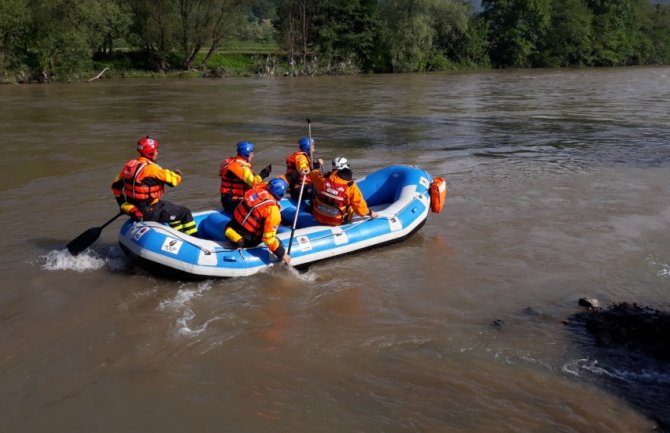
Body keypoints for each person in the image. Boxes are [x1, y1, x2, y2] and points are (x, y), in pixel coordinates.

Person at [111, 136, 198, 236]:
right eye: (156, 151)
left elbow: (115, 186)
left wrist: (123, 204)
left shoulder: (129, 166)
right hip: (149, 212)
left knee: (171, 208)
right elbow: (173, 181)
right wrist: (177, 174)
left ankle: (178, 234)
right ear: (150, 153)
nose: (157, 153)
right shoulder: (152, 169)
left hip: (133, 210)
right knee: (185, 213)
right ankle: (195, 239)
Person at [224, 177, 291, 264]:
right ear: (280, 194)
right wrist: (282, 254)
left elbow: (267, 183)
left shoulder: (258, 188)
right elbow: (268, 239)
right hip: (248, 240)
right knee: (274, 237)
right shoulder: (273, 211)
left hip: (232, 226)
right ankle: (240, 240)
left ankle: (233, 236)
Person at [308, 158, 379, 226]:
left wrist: (316, 165)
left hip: (318, 217)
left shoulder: (322, 178)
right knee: (351, 205)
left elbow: (311, 173)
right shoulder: (350, 186)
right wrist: (370, 213)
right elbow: (360, 209)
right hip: (336, 221)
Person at [219, 140, 271, 212]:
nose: (253, 155)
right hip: (232, 201)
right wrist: (264, 174)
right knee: (261, 202)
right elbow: (253, 182)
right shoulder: (238, 167)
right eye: (251, 153)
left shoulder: (231, 161)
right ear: (246, 154)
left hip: (233, 199)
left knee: (266, 187)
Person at [285, 137, 323, 201]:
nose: (314, 146)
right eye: (312, 145)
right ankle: (313, 207)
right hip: (298, 189)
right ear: (307, 147)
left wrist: (317, 164)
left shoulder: (306, 156)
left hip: (302, 187)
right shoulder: (300, 158)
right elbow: (303, 169)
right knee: (317, 187)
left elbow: (310, 167)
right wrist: (305, 169)